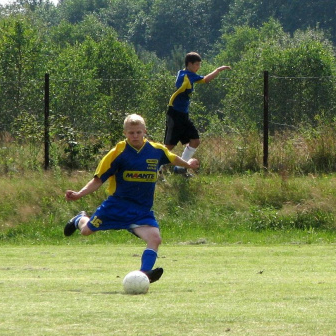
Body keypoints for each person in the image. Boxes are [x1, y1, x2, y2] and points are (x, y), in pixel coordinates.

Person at [64, 114, 199, 283]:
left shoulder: (156, 150)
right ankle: (79, 219)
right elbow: (98, 180)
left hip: (142, 210)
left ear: (145, 132)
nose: (135, 136)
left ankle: (144, 274)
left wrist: (188, 164)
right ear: (125, 133)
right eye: (131, 133)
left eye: (138, 132)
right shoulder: (117, 153)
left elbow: (172, 158)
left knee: (155, 238)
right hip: (116, 206)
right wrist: (79, 194)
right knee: (86, 231)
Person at [165, 51, 231, 175]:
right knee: (169, 146)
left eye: (199, 64)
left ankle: (180, 168)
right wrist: (218, 70)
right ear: (189, 64)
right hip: (175, 113)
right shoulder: (186, 75)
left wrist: (217, 70)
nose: (198, 67)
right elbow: (199, 80)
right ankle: (154, 170)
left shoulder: (188, 74)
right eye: (196, 64)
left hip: (184, 115)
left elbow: (204, 80)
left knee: (195, 140)